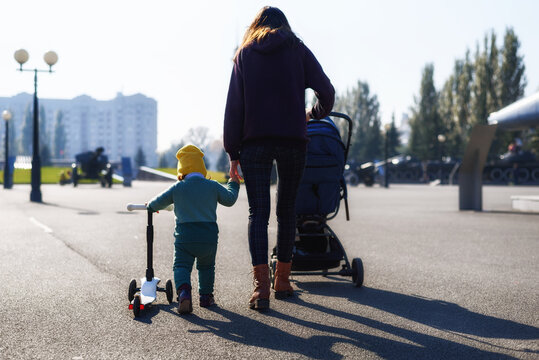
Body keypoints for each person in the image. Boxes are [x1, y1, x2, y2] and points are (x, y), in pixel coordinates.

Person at [223, 6, 335, 310]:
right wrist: (312, 115)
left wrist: (233, 152)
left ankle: (261, 290)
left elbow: (235, 107)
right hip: (292, 142)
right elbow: (326, 90)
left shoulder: (245, 54)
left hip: (255, 144)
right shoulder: (297, 49)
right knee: (287, 210)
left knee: (258, 213)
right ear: (284, 25)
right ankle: (282, 281)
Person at [147, 144, 240, 314]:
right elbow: (229, 199)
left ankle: (184, 293)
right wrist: (233, 183)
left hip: (185, 236)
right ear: (201, 166)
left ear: (181, 168)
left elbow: (156, 203)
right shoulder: (212, 186)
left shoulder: (178, 187)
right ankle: (206, 297)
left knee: (181, 265)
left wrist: (150, 206)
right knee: (206, 267)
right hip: (208, 236)